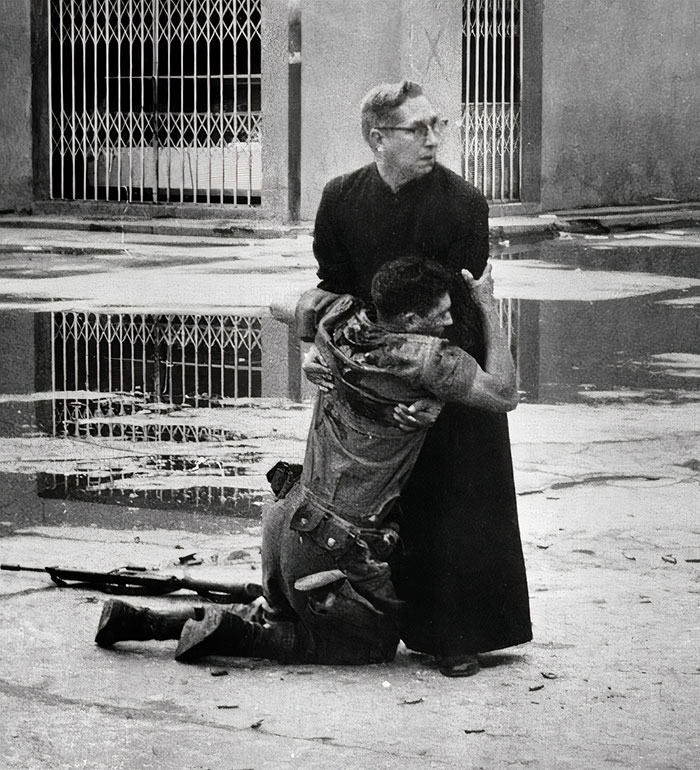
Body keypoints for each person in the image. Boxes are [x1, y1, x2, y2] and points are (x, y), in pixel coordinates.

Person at [94, 256, 517, 667]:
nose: (448, 322)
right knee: (366, 644)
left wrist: (314, 344)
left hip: (284, 521)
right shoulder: (427, 358)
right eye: (440, 314)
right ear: (409, 321)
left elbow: (278, 304)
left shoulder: (341, 314)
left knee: (282, 613)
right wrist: (487, 306)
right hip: (335, 545)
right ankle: (234, 635)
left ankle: (142, 622)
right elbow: (504, 394)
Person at [305, 79, 532, 677]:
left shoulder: (463, 205)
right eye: (417, 128)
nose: (433, 139)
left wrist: (437, 398)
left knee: (454, 494)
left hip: (447, 371)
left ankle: (457, 632)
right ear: (378, 138)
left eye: (438, 126)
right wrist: (325, 356)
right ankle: (369, 619)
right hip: (372, 376)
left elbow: (460, 312)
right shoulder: (341, 198)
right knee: (359, 503)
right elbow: (337, 293)